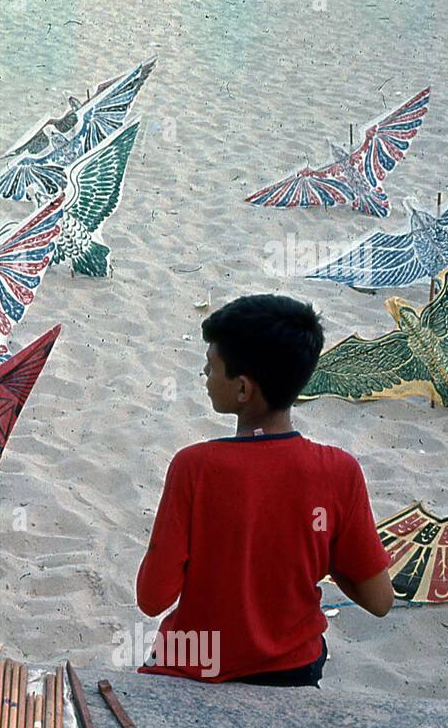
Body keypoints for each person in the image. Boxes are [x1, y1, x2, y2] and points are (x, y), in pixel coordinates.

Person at [135, 294, 394, 687]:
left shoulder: (194, 467)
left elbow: (152, 598)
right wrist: (321, 548)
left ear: (243, 390)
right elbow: (379, 600)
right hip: (292, 670)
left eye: (211, 367)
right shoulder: (339, 472)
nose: (204, 375)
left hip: (195, 668)